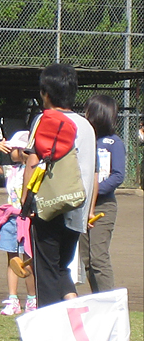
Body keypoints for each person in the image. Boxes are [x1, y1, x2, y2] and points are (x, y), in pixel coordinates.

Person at [22, 64, 96, 308]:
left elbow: (33, 162)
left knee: (45, 271)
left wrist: (25, 203)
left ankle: (51, 332)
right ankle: (74, 320)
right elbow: (92, 172)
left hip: (49, 207)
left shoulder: (46, 120)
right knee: (61, 267)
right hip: (77, 208)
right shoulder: (87, 126)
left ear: (46, 93)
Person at [0, 131, 36, 315]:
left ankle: (32, 300)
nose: (9, 151)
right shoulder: (11, 170)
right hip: (11, 219)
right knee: (12, 259)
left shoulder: (36, 169)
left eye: (12, 148)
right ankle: (13, 300)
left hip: (28, 219)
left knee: (28, 261)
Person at [79, 95, 125, 293]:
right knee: (85, 259)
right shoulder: (83, 140)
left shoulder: (113, 143)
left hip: (103, 207)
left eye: (88, 110)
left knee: (98, 257)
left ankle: (108, 303)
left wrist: (95, 192)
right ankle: (96, 299)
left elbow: (118, 176)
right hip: (81, 205)